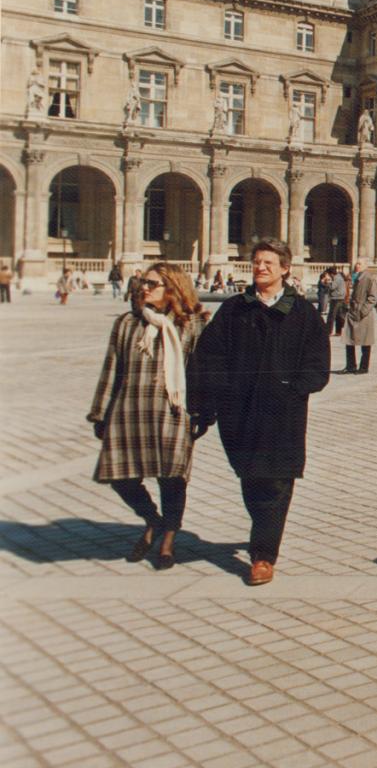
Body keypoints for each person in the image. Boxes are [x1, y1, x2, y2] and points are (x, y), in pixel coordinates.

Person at [192, 239, 331, 585]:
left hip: (282, 414)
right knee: (251, 477)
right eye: (256, 262)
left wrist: (294, 388)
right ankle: (262, 531)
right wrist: (214, 398)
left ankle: (263, 556)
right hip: (238, 412)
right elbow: (208, 355)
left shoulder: (303, 314)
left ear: (285, 268)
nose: (260, 267)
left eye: (268, 262)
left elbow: (318, 362)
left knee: (278, 481)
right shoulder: (235, 309)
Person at [86, 263, 209, 571]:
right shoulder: (127, 323)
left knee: (172, 478)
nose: (143, 287)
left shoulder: (190, 325)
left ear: (172, 289)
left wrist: (204, 412)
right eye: (143, 282)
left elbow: (203, 373)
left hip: (172, 411)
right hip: (129, 409)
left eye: (151, 283)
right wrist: (101, 413)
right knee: (120, 476)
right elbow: (111, 369)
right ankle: (153, 520)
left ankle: (168, 535)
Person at [342, 261, 377, 374]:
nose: (356, 265)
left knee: (365, 342)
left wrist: (363, 311)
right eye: (356, 263)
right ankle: (350, 365)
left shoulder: (369, 278)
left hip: (363, 315)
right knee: (348, 340)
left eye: (359, 263)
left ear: (365, 266)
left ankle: (363, 367)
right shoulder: (354, 277)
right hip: (353, 312)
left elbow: (373, 298)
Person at [326, 269, 348, 337]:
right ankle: (338, 331)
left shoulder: (337, 278)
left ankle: (328, 331)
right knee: (338, 316)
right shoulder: (340, 277)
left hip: (336, 299)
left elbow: (332, 287)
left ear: (331, 274)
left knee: (331, 316)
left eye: (329, 274)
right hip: (341, 298)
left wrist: (327, 282)